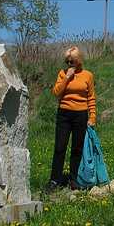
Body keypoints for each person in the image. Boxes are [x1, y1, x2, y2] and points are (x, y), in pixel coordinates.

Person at [47, 46, 96, 191]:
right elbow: (56, 92)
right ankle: (55, 180)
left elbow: (91, 97)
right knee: (60, 147)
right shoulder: (62, 73)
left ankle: (74, 179)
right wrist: (67, 77)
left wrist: (92, 116)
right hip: (64, 114)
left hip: (81, 115)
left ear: (79, 61)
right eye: (67, 61)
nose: (69, 64)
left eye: (72, 61)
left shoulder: (88, 75)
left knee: (77, 148)